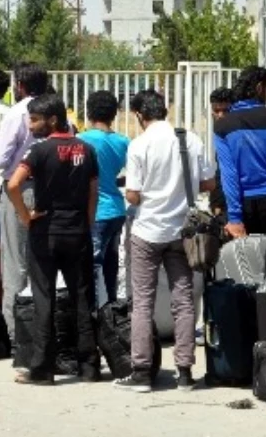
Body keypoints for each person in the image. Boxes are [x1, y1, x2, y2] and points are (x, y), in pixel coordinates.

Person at [116, 90, 215, 393]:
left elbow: (132, 194)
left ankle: (142, 372)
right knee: (183, 300)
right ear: (165, 110)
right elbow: (209, 183)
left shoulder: (139, 145)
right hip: (183, 232)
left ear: (138, 115)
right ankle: (185, 372)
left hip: (147, 231)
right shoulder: (191, 140)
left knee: (142, 302)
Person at [7, 95, 101, 384]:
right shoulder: (86, 149)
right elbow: (93, 192)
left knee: (44, 298)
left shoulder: (38, 151)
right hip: (77, 230)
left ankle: (42, 369)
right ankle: (89, 367)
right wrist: (86, 222)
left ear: (53, 120)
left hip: (45, 231)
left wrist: (25, 215)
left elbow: (12, 184)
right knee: (82, 297)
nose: (31, 125)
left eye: (34, 120)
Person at [0, 64, 50, 331]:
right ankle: (45, 327)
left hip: (19, 188)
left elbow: (0, 159)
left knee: (15, 263)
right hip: (50, 189)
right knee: (45, 262)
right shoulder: (56, 110)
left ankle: (16, 333)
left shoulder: (16, 114)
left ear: (20, 86)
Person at [214, 67, 266, 240]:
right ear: (260, 88)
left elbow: (229, 175)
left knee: (245, 263)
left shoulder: (223, 126)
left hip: (243, 204)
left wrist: (235, 217)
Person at [79, 90, 130, 307]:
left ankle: (92, 317)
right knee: (111, 265)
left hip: (94, 212)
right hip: (117, 210)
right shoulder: (124, 142)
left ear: (89, 112)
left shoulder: (80, 140)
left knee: (90, 267)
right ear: (114, 114)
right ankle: (113, 313)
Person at [207, 87, 233, 218]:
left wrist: (217, 203)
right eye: (217, 111)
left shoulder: (236, 134)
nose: (221, 115)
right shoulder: (219, 132)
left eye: (226, 110)